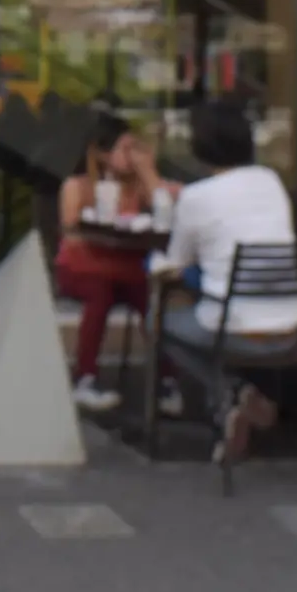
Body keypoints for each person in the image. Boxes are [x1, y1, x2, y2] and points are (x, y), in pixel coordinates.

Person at [157, 100, 297, 461]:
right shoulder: (272, 182)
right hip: (292, 329)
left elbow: (175, 263)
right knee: (211, 312)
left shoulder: (195, 196)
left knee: (159, 320)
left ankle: (232, 396)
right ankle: (232, 406)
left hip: (235, 328)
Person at [53, 111, 177, 414]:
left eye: (135, 148)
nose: (131, 156)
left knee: (151, 299)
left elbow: (166, 207)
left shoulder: (138, 185)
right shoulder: (77, 185)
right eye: (125, 149)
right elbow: (72, 232)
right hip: (84, 266)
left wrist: (147, 172)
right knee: (100, 293)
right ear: (101, 153)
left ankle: (167, 379)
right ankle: (86, 377)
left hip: (126, 265)